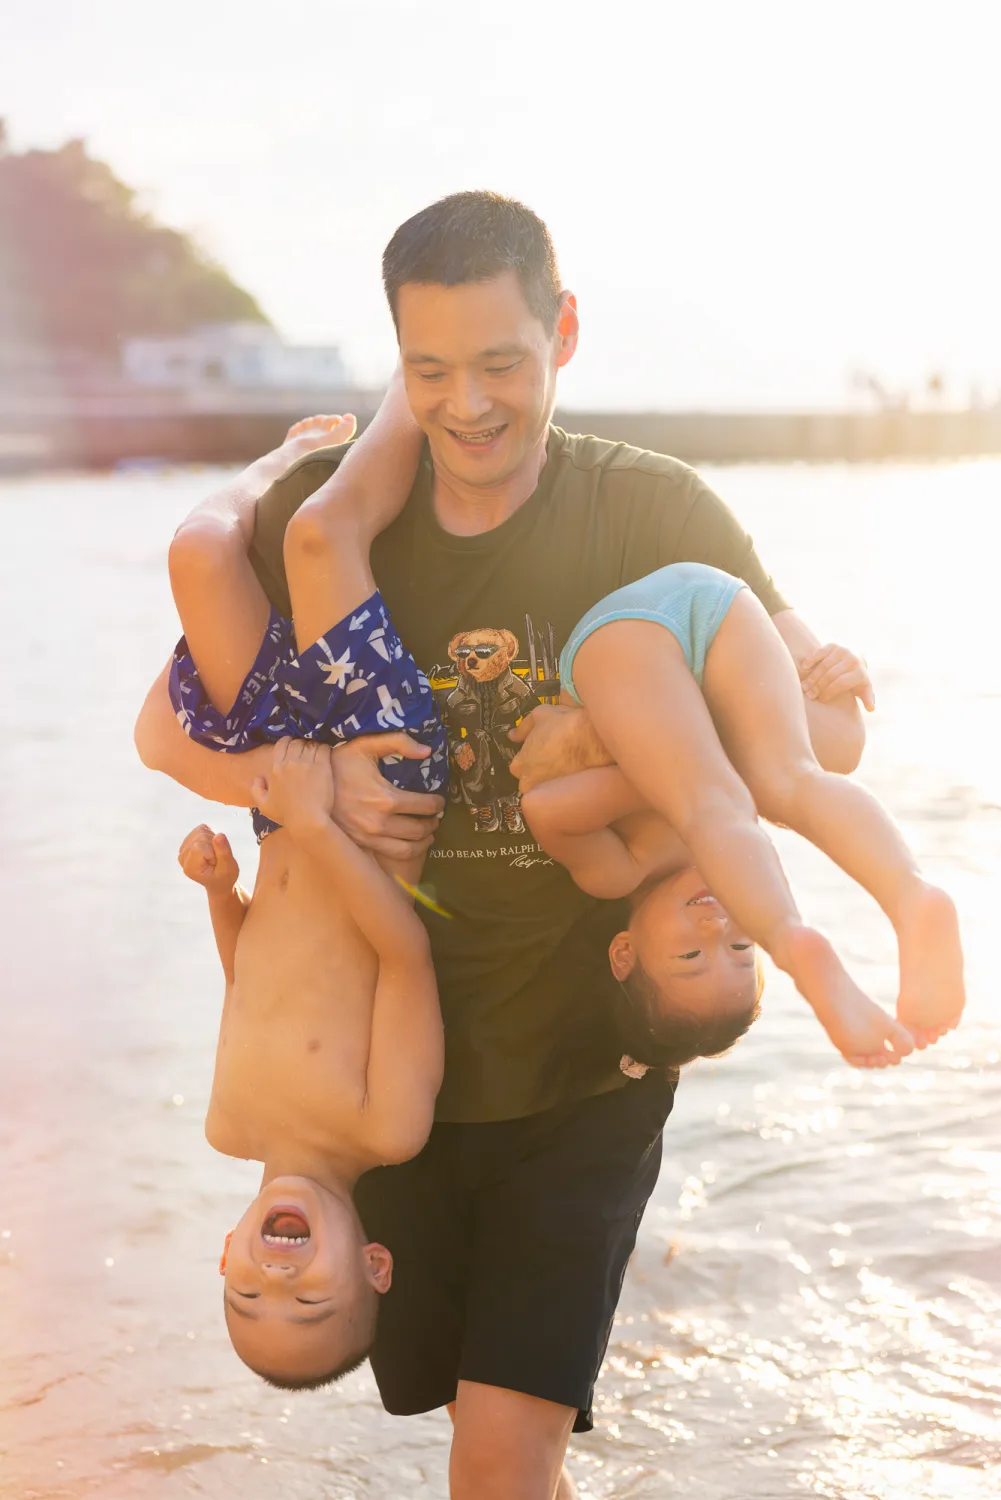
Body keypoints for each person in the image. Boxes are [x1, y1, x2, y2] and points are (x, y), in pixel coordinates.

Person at [136, 191, 880, 1500]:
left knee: (500, 1454)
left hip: (584, 1071)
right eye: (429, 372)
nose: (468, 405)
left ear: (563, 334)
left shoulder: (649, 512)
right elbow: (163, 727)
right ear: (395, 362)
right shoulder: (326, 511)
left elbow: (830, 739)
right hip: (391, 1114)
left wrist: (623, 729)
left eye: (501, 364)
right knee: (471, 1441)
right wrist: (297, 780)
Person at [165, 396, 448, 1388]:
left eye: (246, 1295)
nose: (275, 1279)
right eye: (309, 1300)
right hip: (378, 785)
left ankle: (278, 459)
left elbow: (254, 985)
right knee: (319, 539)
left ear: (224, 1255)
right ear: (373, 1266)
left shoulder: (229, 1124)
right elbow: (404, 957)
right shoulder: (385, 1129)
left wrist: (221, 894)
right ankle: (420, 382)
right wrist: (323, 824)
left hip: (280, 803)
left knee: (199, 552)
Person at [521, 563, 964, 1071]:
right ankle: (910, 892)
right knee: (794, 781)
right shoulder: (741, 853)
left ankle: (791, 942)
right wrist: (698, 767)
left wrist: (670, 775)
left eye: (690, 957)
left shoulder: (621, 869)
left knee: (714, 808)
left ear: (625, 953)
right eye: (740, 945)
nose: (715, 927)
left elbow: (545, 808)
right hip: (719, 604)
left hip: (623, 635)